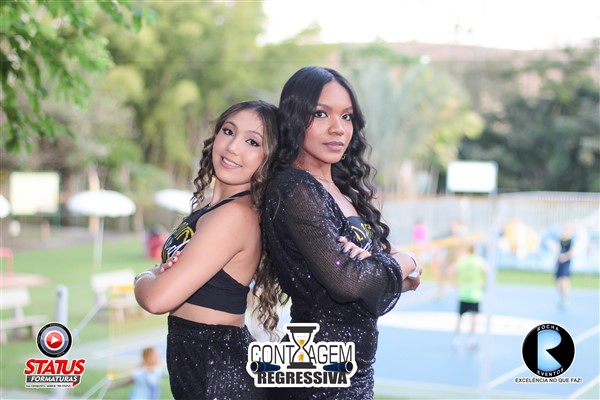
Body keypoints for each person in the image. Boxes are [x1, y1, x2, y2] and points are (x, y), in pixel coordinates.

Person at [262, 66, 422, 399]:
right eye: (321, 114)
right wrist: (407, 260)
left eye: (347, 117)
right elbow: (350, 282)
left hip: (350, 371)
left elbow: (377, 284)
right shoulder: (296, 189)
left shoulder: (342, 191)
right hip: (317, 374)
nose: (338, 128)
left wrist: (386, 274)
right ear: (294, 117)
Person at [134, 100, 280, 399]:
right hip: (202, 368)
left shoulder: (234, 215)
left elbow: (156, 299)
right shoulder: (211, 207)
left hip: (220, 375)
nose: (233, 147)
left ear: (269, 157)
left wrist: (144, 277)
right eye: (229, 131)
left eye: (252, 142)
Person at [450, 244, 488, 351]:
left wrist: (455, 281)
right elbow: (487, 270)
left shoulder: (462, 260)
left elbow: (451, 270)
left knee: (460, 317)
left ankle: (456, 338)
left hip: (463, 293)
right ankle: (472, 339)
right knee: (474, 318)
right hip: (475, 294)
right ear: (475, 250)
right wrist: (484, 283)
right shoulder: (479, 260)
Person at [555, 222, 575, 308]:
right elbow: (558, 251)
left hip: (565, 262)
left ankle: (565, 297)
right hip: (560, 262)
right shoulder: (561, 239)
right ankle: (562, 296)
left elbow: (571, 251)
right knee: (558, 280)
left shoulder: (570, 240)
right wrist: (556, 263)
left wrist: (565, 257)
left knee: (564, 279)